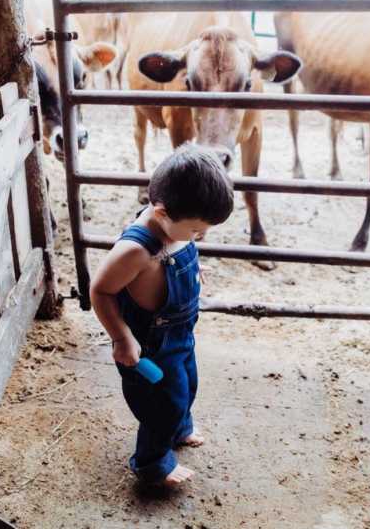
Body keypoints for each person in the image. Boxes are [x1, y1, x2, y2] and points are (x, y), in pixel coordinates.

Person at [90, 144, 234, 487]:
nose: (202, 236)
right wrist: (121, 338)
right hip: (149, 344)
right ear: (160, 213)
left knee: (188, 383)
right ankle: (152, 464)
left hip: (181, 332)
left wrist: (194, 272)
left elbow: (183, 248)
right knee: (161, 406)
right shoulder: (136, 251)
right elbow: (100, 290)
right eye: (197, 231)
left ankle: (180, 428)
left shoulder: (176, 226)